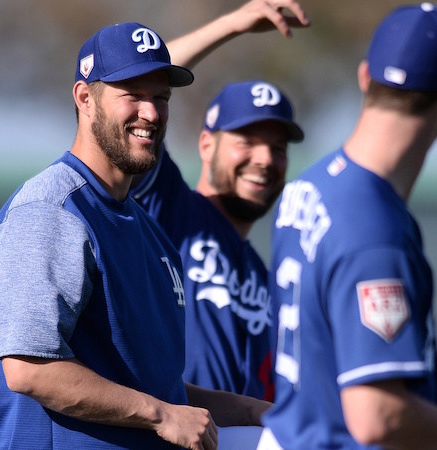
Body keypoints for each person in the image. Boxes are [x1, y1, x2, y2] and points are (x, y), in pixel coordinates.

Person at [258, 3, 437, 450]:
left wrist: (430, 395)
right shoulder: (373, 229)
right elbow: (376, 419)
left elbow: (328, 367)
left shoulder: (309, 186)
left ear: (365, 77)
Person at [0, 21, 270, 450]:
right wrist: (160, 414)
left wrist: (249, 410)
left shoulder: (150, 231)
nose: (152, 113)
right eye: (132, 95)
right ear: (85, 98)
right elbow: (30, 368)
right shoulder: (52, 210)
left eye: (161, 97)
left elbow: (157, 391)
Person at [131, 0, 308, 402]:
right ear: (206, 144)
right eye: (246, 141)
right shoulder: (168, 208)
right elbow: (131, 78)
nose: (265, 160)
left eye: (278, 148)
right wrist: (232, 25)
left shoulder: (266, 277)